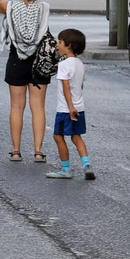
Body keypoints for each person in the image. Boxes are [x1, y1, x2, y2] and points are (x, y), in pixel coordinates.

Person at [0, 0, 49, 164]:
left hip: (16, 59)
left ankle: (16, 151)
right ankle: (38, 151)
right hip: (38, 60)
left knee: (17, 106)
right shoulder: (43, 8)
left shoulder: (10, 7)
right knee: (38, 107)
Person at [46, 28, 95, 180]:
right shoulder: (80, 64)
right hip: (80, 107)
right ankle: (87, 164)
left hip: (66, 109)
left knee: (58, 136)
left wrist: (70, 107)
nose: (57, 45)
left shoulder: (64, 65)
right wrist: (76, 105)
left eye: (60, 42)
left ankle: (66, 169)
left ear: (69, 45)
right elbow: (80, 86)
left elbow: (66, 87)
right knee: (76, 137)